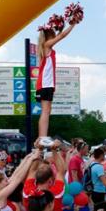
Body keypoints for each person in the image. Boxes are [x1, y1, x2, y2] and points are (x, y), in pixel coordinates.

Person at [36, 15, 79, 143]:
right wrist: (73, 24)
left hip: (48, 83)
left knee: (47, 111)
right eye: (53, 31)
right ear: (49, 33)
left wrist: (61, 25)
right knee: (45, 111)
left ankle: (43, 137)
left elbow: (60, 34)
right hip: (45, 83)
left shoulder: (48, 46)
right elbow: (61, 36)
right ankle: (42, 137)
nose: (55, 33)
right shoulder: (46, 45)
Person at [88, 147, 106, 211]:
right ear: (101, 155)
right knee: (103, 210)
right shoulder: (99, 167)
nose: (104, 156)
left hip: (94, 190)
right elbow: (104, 181)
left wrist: (105, 172)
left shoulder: (92, 164)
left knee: (97, 209)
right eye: (104, 155)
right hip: (99, 191)